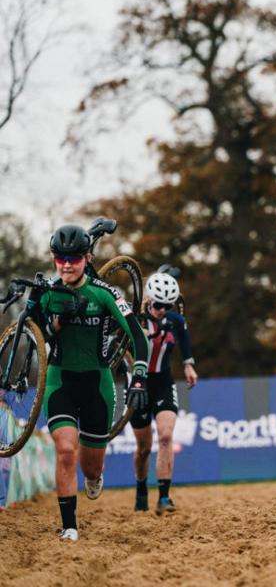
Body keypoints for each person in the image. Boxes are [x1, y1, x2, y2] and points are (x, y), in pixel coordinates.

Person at [39, 224, 149, 542]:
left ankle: (94, 477)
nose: (67, 264)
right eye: (61, 258)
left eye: (74, 258)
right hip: (60, 380)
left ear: (87, 258)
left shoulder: (105, 294)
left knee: (90, 468)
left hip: (97, 386)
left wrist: (140, 375)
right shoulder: (48, 293)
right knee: (65, 450)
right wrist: (55, 321)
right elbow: (39, 335)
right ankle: (69, 525)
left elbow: (138, 338)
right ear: (54, 259)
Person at [132, 271, 198, 514]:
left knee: (166, 436)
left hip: (164, 382)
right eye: (158, 304)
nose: (161, 309)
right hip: (138, 385)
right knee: (143, 448)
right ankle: (141, 488)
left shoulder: (175, 320)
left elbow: (185, 340)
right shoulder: (135, 319)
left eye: (167, 305)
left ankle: (164, 496)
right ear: (149, 299)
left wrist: (189, 364)